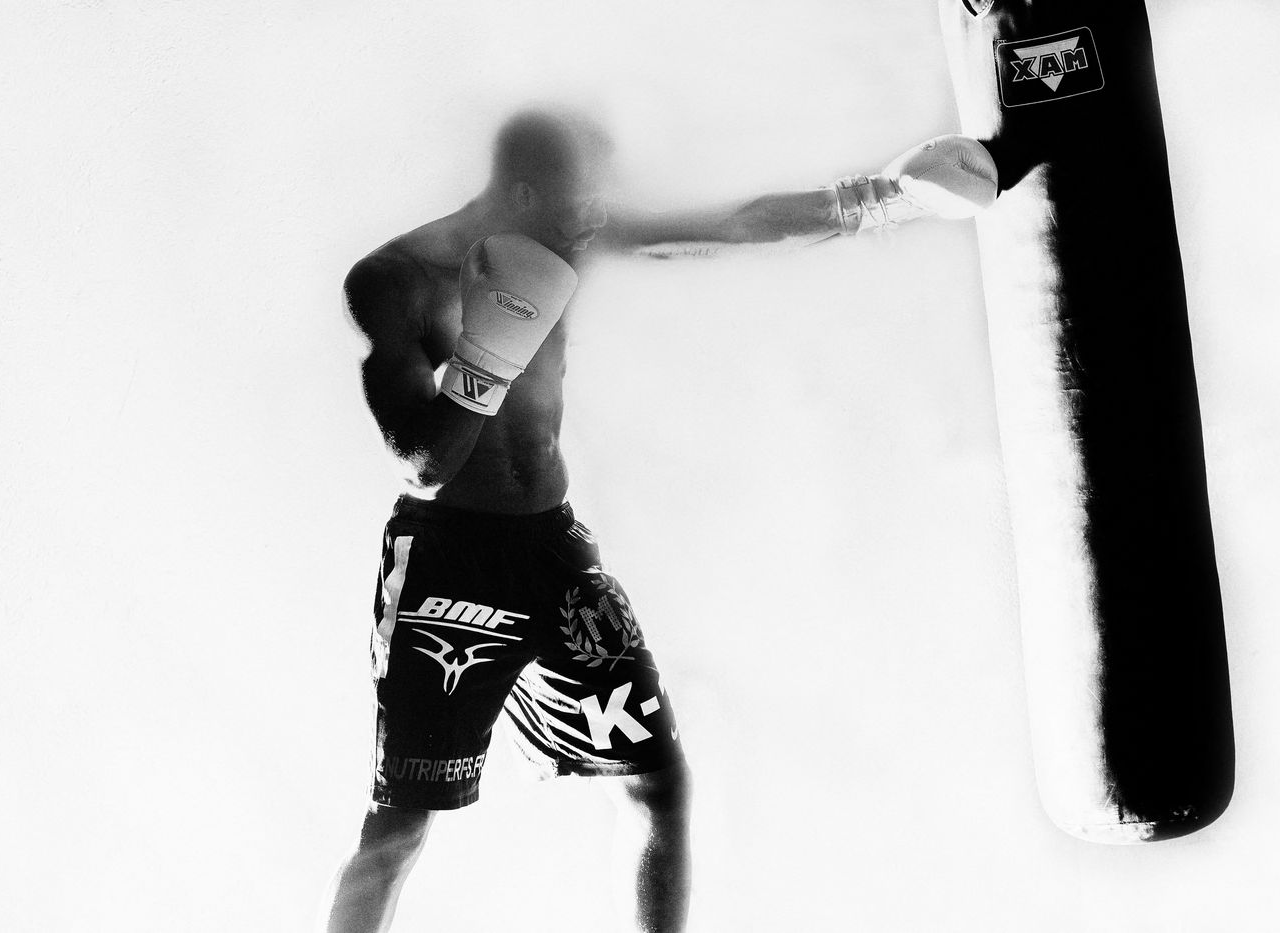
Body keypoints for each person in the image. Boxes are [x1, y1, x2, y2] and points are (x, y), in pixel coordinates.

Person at [321, 107, 996, 933]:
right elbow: (423, 460)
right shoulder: (395, 280)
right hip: (448, 562)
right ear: (521, 193)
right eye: (574, 203)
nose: (590, 220)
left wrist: (882, 200)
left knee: (656, 780)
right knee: (399, 822)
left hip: (551, 549)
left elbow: (730, 226)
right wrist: (487, 355)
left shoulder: (559, 234)